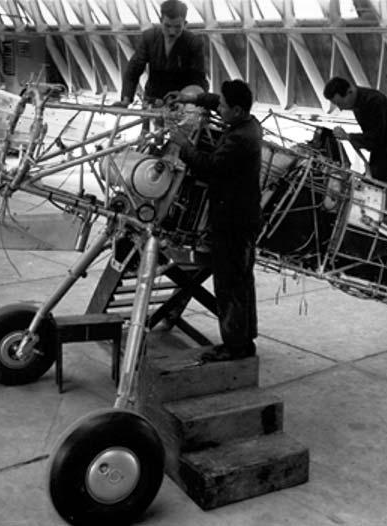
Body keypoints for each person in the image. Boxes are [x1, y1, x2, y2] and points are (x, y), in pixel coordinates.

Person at [169, 80, 262, 362]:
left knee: (229, 284)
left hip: (232, 221)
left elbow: (211, 167)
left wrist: (184, 145)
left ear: (235, 109)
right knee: (242, 281)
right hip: (245, 218)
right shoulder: (249, 123)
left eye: (222, 106)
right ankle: (244, 341)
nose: (218, 108)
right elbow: (218, 101)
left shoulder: (238, 139)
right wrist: (192, 99)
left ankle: (234, 347)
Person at [323, 77, 387, 185]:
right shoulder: (358, 101)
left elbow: (376, 137)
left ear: (349, 92)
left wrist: (349, 137)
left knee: (376, 184)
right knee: (374, 180)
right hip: (383, 147)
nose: (341, 109)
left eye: (340, 103)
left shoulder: (374, 101)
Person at [115, 0, 208, 107]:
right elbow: (133, 71)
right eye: (167, 26)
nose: (172, 32)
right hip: (153, 98)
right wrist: (126, 100)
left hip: (181, 100)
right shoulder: (149, 38)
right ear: (160, 21)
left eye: (178, 27)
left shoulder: (194, 43)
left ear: (185, 24)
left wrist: (188, 99)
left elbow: (199, 79)